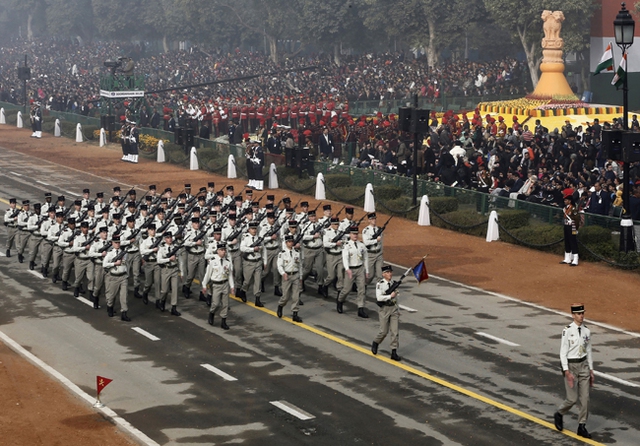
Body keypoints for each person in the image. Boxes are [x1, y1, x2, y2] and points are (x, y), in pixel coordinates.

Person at [554, 303, 594, 439]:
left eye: (582, 313)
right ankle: (559, 413)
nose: (581, 316)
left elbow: (588, 350)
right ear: (573, 315)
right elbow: (562, 352)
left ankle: (581, 426)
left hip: (583, 366)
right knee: (572, 399)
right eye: (578, 314)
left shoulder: (587, 331)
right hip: (571, 367)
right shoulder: (567, 331)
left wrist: (591, 369)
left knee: (585, 399)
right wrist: (566, 371)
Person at [336, 226, 370, 318]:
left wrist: (367, 270)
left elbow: (366, 258)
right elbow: (345, 258)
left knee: (362, 289)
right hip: (350, 269)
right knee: (347, 289)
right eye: (353, 234)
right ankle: (340, 301)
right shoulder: (347, 245)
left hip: (360, 268)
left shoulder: (361, 245)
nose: (355, 235)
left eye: (356, 234)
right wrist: (347, 269)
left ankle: (361, 308)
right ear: (350, 234)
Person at [371, 265, 401, 361]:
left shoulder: (393, 283)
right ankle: (376, 342)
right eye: (387, 272)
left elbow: (396, 298)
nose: (390, 274)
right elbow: (379, 298)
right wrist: (389, 296)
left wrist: (398, 309)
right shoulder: (380, 284)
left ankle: (394, 351)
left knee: (395, 332)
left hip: (393, 308)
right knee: (383, 331)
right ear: (383, 274)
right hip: (384, 309)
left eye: (390, 272)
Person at [201, 243, 234, 329]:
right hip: (216, 285)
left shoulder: (228, 262)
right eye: (222, 250)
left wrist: (232, 286)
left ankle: (223, 321)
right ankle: (212, 313)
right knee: (215, 304)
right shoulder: (213, 261)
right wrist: (204, 285)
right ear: (218, 251)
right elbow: (208, 274)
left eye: (224, 250)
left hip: (225, 284)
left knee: (225, 304)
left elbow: (230, 275)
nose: (224, 252)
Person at [102, 234, 131, 321]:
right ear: (112, 243)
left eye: (118, 242)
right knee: (111, 296)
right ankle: (110, 307)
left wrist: (127, 274)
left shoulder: (124, 253)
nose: (117, 244)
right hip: (113, 277)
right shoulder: (110, 254)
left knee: (124, 296)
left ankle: (124, 313)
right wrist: (114, 264)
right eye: (115, 243)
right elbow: (104, 264)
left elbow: (127, 264)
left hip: (123, 276)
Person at [276, 234, 302, 322]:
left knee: (296, 296)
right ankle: (280, 305)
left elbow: (300, 265)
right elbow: (279, 265)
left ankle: (295, 313)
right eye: (289, 242)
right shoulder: (282, 253)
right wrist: (283, 273)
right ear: (286, 243)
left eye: (292, 242)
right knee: (285, 296)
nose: (291, 243)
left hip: (295, 275)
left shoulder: (297, 252)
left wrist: (301, 277)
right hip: (287, 275)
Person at [560, 194, 580, 266]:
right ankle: (567, 258)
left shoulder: (573, 209)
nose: (565, 201)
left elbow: (577, 220)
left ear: (570, 201)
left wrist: (576, 229)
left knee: (573, 242)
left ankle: (575, 259)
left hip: (573, 226)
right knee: (567, 241)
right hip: (566, 226)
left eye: (566, 200)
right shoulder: (565, 208)